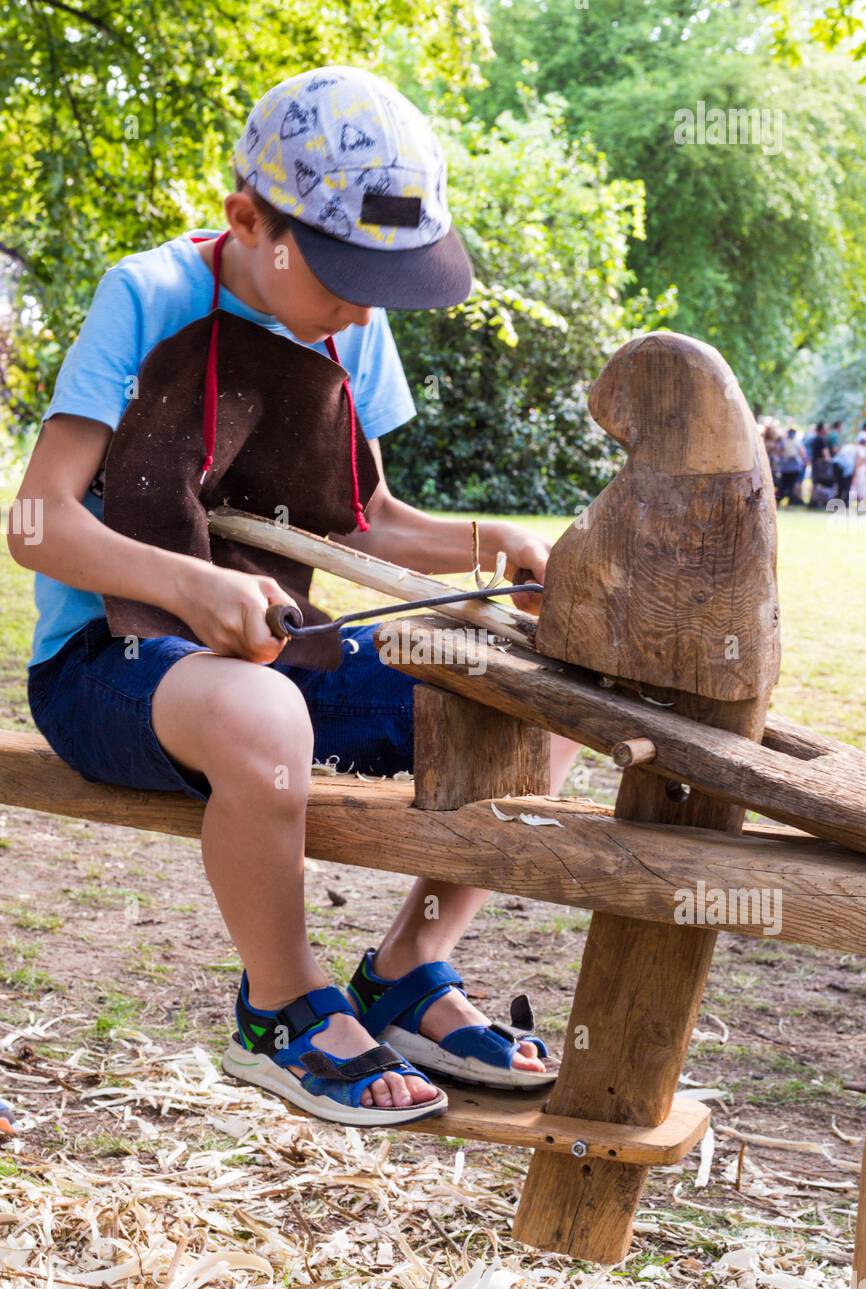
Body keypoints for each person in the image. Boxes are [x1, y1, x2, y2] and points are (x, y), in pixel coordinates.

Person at [8, 67, 574, 1128]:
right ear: (247, 219)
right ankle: (278, 1008)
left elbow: (361, 517)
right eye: (342, 272)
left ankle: (407, 970)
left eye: (383, 278)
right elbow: (37, 522)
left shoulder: (352, 322)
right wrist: (190, 584)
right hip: (107, 670)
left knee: (530, 699)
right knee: (261, 710)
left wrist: (478, 543)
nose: (363, 305)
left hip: (271, 657)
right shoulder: (147, 296)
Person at [809, 422, 836, 507]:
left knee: (816, 482)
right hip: (821, 465)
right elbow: (825, 452)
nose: (827, 429)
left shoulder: (816, 438)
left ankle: (814, 501)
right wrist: (830, 461)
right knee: (823, 483)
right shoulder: (821, 439)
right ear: (821, 429)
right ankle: (819, 502)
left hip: (816, 463)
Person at [777, 427, 805, 506]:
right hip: (787, 467)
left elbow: (801, 452)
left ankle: (788, 503)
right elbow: (780, 452)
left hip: (792, 466)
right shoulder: (786, 441)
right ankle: (781, 502)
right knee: (786, 485)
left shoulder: (795, 441)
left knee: (788, 486)